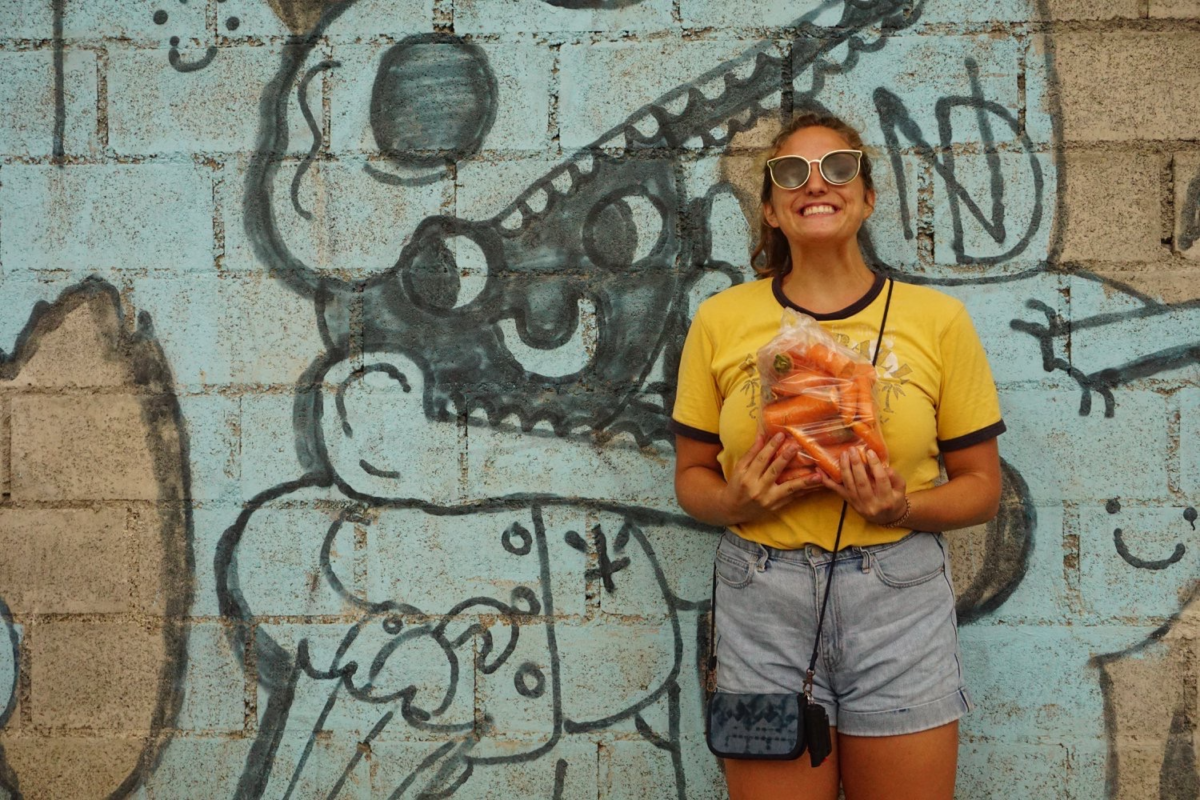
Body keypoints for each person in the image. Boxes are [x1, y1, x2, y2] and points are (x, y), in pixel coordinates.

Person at [670, 111, 1005, 800]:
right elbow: (691, 477)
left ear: (868, 195)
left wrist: (902, 505)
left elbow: (980, 487)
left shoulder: (936, 320)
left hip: (898, 598)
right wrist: (734, 501)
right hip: (760, 597)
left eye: (840, 167)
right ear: (769, 207)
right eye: (791, 173)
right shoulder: (722, 320)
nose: (816, 184)